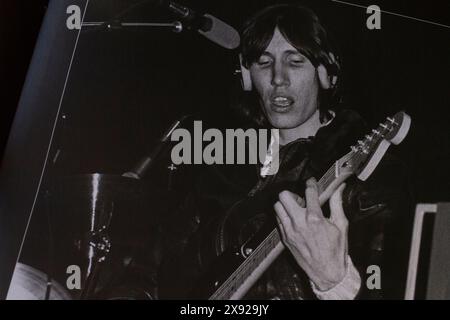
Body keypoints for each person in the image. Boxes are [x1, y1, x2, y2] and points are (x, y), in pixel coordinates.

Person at [123, 3, 412, 300]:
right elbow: (147, 272)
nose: (278, 78)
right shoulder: (221, 170)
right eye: (264, 62)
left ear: (326, 73)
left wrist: (336, 282)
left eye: (295, 61)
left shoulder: (372, 175)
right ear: (247, 77)